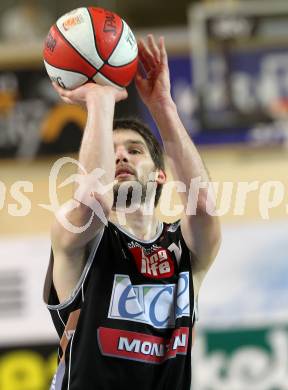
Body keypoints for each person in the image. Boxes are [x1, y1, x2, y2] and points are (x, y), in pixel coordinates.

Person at [43, 34, 221, 390]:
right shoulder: (79, 238)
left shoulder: (184, 248)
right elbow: (95, 198)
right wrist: (98, 98)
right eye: (112, 152)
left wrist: (162, 106)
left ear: (159, 175)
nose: (121, 156)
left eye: (134, 150)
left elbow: (201, 203)